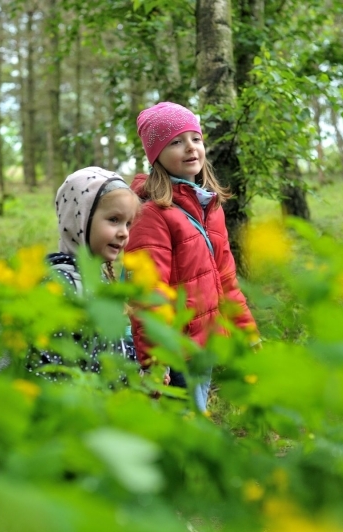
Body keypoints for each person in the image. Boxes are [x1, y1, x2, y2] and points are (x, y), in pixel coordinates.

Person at [125, 102, 258, 411]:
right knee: (183, 436)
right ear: (156, 155)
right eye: (175, 142)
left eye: (195, 138)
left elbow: (226, 279)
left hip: (205, 345)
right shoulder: (152, 213)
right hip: (175, 352)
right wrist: (156, 360)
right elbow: (148, 293)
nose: (190, 148)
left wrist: (246, 331)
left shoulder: (209, 207)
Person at [28, 167, 140, 379]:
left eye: (128, 223)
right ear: (80, 218)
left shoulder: (96, 280)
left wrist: (139, 374)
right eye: (114, 219)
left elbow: (109, 350)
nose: (124, 232)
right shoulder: (63, 286)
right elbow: (50, 372)